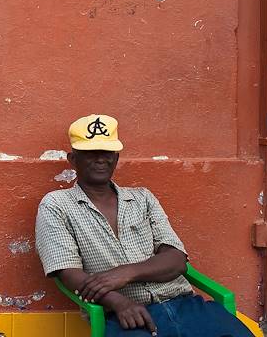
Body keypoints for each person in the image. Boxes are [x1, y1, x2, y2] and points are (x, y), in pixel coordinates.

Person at [34, 115, 253, 337]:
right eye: (91, 153)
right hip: (126, 316)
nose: (101, 159)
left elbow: (176, 260)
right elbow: (68, 273)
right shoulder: (56, 205)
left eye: (107, 152)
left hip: (184, 305)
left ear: (116, 158)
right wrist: (119, 303)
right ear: (73, 159)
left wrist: (125, 273)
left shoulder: (142, 198)